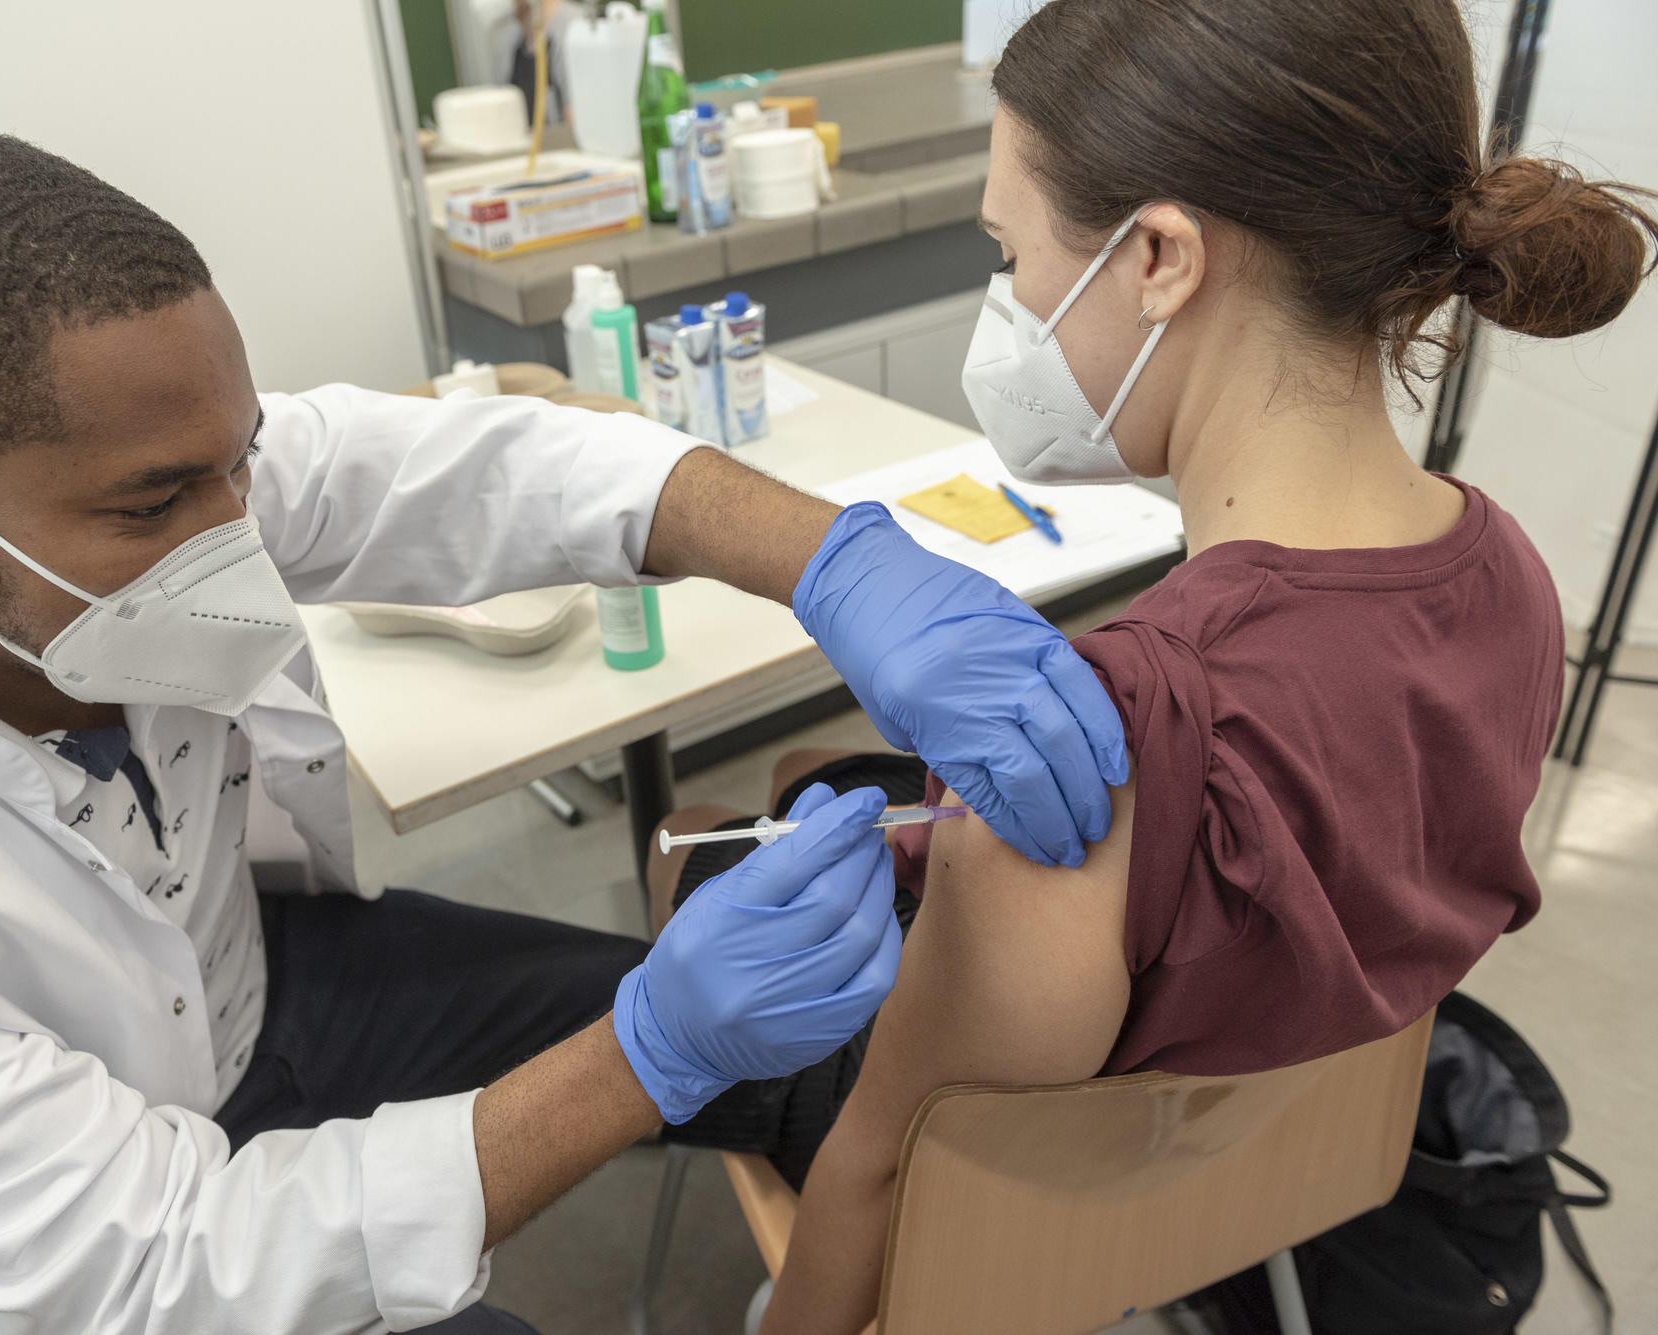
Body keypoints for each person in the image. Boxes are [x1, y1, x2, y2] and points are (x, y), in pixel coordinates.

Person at [0, 132, 1128, 1335]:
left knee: (802, 1062)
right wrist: (645, 1052)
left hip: (259, 984)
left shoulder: (126, 470)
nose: (239, 537)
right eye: (159, 505)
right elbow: (165, 1273)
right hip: (104, 1263)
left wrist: (839, 560)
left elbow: (485, 470)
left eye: (238, 467)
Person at [647, 1, 1658, 1331]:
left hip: (1057, 1220)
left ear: (1162, 256)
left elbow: (889, 1168)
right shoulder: (1513, 578)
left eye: (1012, 256)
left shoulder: (1094, 744)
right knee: (811, 773)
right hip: (1291, 1148)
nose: (1007, 309)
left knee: (691, 849)